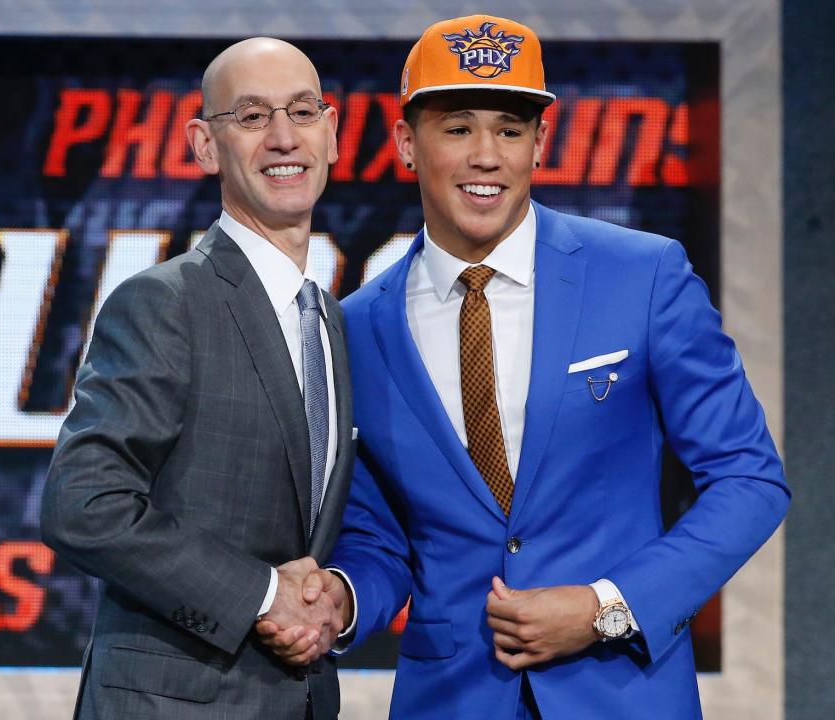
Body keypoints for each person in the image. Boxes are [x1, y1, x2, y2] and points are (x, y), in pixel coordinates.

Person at [259, 14, 790, 719]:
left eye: (509, 130)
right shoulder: (354, 327)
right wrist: (342, 598)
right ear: (405, 144)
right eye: (457, 128)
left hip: (624, 694)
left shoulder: (644, 275)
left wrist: (607, 606)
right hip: (449, 700)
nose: (487, 156)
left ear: (540, 143)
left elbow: (749, 478)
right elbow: (380, 536)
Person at [40, 37, 354, 720]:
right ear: (204, 146)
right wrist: (265, 594)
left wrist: (331, 598)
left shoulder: (329, 319)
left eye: (302, 112)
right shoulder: (165, 300)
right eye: (250, 117)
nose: (282, 138)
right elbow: (83, 506)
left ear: (332, 134)